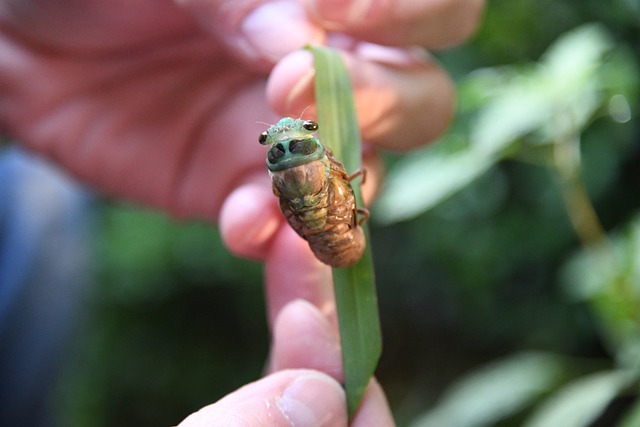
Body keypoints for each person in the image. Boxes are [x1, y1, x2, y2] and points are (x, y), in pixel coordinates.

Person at [0, 0, 484, 425]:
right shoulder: (324, 155)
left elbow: (317, 194)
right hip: (338, 221)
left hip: (328, 226)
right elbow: (345, 181)